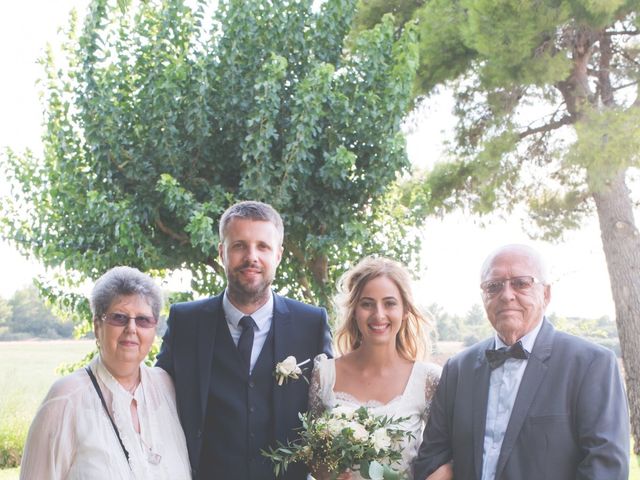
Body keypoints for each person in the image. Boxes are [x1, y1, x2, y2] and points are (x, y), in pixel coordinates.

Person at [413, 244, 630, 480]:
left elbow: (606, 468)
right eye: (493, 286)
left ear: (546, 294)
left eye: (521, 283)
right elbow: (431, 456)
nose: (506, 295)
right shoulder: (458, 368)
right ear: (483, 296)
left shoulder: (591, 364)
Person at [156, 200, 333, 480]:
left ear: (278, 255)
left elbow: (329, 410)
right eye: (239, 245)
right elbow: (155, 398)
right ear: (222, 252)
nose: (251, 256)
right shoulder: (185, 322)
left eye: (263, 246)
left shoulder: (311, 324)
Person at [20, 266, 191, 479]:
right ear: (97, 326)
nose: (131, 328)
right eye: (119, 318)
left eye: (143, 320)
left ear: (154, 328)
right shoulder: (65, 399)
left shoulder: (166, 387)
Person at [309, 256, 450, 480]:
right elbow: (312, 454)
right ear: (354, 311)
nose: (378, 314)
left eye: (390, 303)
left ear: (405, 311)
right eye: (367, 304)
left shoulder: (428, 379)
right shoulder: (324, 374)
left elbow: (450, 457)